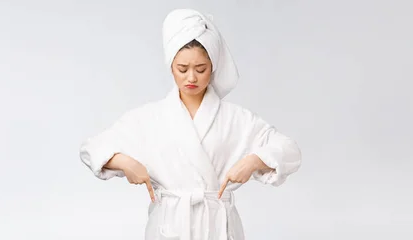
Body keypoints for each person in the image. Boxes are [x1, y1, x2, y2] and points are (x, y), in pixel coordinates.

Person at [80, 8, 302, 240]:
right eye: (182, 69)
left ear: (213, 67)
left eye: (201, 69)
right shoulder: (149, 118)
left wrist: (254, 161)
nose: (192, 78)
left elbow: (290, 151)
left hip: (219, 229)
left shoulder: (236, 119)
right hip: (168, 227)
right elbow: (91, 148)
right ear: (171, 67)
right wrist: (123, 162)